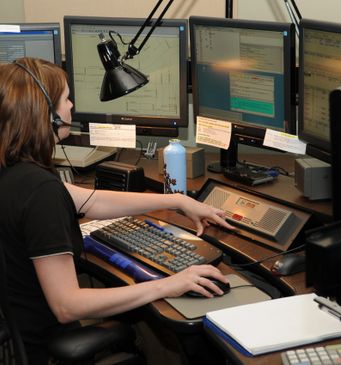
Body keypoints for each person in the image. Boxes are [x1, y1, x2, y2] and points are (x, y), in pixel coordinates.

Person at [0, 57, 234, 364]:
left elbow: (90, 201)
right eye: (66, 99)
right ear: (47, 115)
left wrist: (176, 201)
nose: (71, 107)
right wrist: (167, 284)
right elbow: (67, 305)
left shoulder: (14, 172)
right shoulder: (41, 191)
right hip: (45, 351)